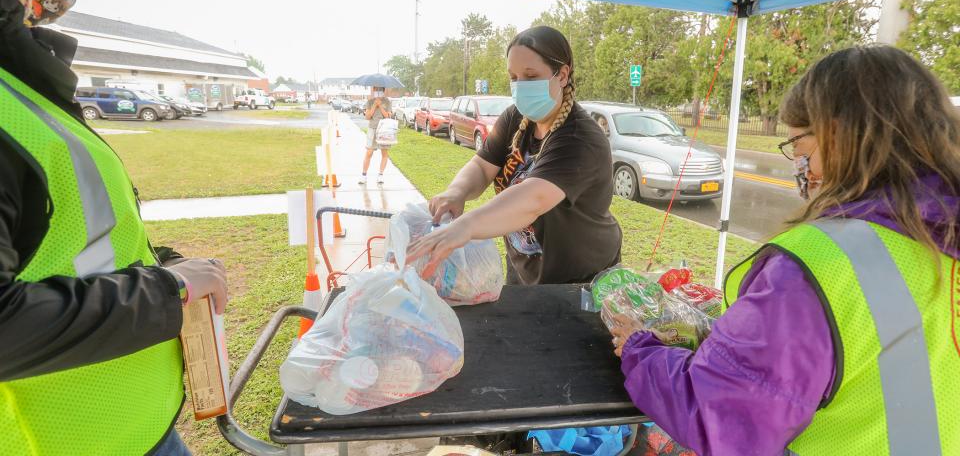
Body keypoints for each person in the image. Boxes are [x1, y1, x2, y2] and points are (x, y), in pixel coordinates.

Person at [609, 46, 960, 455]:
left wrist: (641, 349)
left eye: (797, 143)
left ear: (835, 135)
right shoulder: (940, 232)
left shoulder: (820, 265)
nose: (797, 161)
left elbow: (718, 416)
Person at [0, 0, 229, 454]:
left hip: (136, 427)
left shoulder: (23, 86)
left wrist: (161, 265)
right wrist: (170, 289)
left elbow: (69, 241)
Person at [407, 26, 622, 285]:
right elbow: (482, 166)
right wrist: (457, 192)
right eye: (514, 77)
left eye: (531, 77)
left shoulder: (580, 138)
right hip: (525, 271)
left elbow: (533, 199)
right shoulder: (515, 118)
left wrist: (465, 227)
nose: (520, 86)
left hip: (579, 282)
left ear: (562, 75)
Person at [361, 86, 392, 185]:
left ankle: (380, 175)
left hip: (384, 130)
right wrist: (374, 105)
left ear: (383, 91)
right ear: (373, 91)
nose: (378, 92)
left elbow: (388, 116)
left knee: (384, 153)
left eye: (380, 90)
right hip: (372, 129)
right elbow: (367, 117)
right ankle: (364, 175)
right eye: (376, 90)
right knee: (369, 152)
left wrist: (381, 106)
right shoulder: (370, 101)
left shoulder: (387, 101)